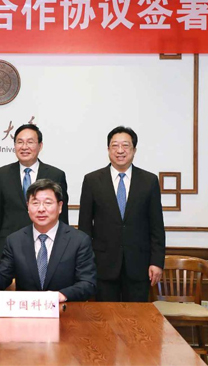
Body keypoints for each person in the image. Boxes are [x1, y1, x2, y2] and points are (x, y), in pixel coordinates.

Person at [0, 179, 96, 302]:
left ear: (60, 206)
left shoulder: (78, 240)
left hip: (65, 312)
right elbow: (2, 277)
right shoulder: (15, 240)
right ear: (28, 207)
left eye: (48, 203)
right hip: (27, 311)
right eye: (35, 203)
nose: (41, 209)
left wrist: (62, 295)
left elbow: (87, 283)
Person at [78, 126, 165, 302]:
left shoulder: (149, 181)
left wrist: (156, 262)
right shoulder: (92, 180)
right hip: (102, 265)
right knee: (105, 316)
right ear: (108, 149)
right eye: (115, 145)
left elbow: (157, 226)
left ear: (134, 150)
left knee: (136, 316)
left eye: (125, 145)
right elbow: (85, 227)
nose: (120, 150)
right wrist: (86, 263)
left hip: (139, 266)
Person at [0, 124, 69, 271]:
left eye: (30, 142)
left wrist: (63, 249)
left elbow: (62, 217)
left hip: (45, 246)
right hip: (9, 248)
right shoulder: (2, 174)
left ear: (40, 146)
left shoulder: (56, 175)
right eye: (20, 142)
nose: (24, 147)